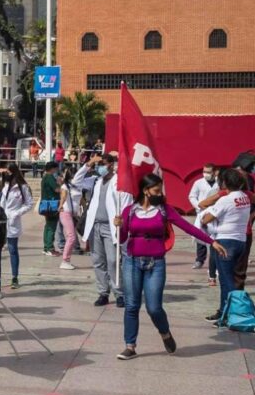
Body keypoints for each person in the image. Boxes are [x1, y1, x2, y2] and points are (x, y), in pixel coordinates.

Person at [117, 173, 224, 360]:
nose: (160, 194)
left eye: (160, 190)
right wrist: (119, 225)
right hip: (132, 261)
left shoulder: (164, 210)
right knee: (132, 305)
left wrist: (211, 241)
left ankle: (165, 333)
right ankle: (130, 345)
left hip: (156, 263)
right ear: (145, 190)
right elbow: (122, 238)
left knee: (154, 308)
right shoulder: (129, 211)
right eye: (156, 190)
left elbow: (186, 226)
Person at [199, 168, 252, 326]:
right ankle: (223, 312)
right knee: (230, 278)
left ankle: (231, 314)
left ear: (224, 183)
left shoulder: (226, 199)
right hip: (241, 241)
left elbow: (207, 219)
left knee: (226, 280)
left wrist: (203, 217)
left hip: (225, 242)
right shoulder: (244, 197)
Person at [77, 154, 132, 307]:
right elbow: (76, 181)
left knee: (113, 260)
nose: (100, 166)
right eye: (99, 164)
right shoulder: (96, 181)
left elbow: (126, 202)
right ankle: (103, 293)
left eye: (103, 163)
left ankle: (119, 293)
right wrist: (89, 164)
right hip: (95, 226)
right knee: (97, 261)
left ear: (111, 165)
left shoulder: (119, 182)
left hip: (111, 226)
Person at [0, 164, 33, 289]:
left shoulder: (23, 187)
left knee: (13, 250)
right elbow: (2, 202)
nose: (6, 173)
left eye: (8, 171)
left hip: (13, 220)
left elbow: (29, 204)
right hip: (2, 220)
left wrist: (16, 213)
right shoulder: (6, 185)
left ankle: (15, 277)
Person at [189, 164, 221, 280]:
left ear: (214, 172)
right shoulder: (198, 182)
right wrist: (198, 206)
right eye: (204, 171)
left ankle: (215, 266)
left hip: (215, 213)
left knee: (214, 238)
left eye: (208, 171)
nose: (205, 174)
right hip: (201, 211)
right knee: (200, 236)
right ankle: (199, 260)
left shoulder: (220, 182)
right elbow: (192, 196)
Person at [57, 166, 83, 270]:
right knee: (71, 237)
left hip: (73, 213)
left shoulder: (77, 186)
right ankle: (65, 260)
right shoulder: (65, 186)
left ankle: (67, 260)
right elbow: (63, 196)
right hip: (65, 212)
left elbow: (80, 199)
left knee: (72, 236)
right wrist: (61, 205)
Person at [40, 161, 61, 256]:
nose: (57, 170)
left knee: (48, 226)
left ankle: (46, 247)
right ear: (53, 168)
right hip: (52, 204)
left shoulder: (45, 177)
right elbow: (57, 189)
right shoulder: (50, 177)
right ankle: (50, 248)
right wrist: (61, 185)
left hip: (46, 204)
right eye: (56, 168)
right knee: (52, 226)